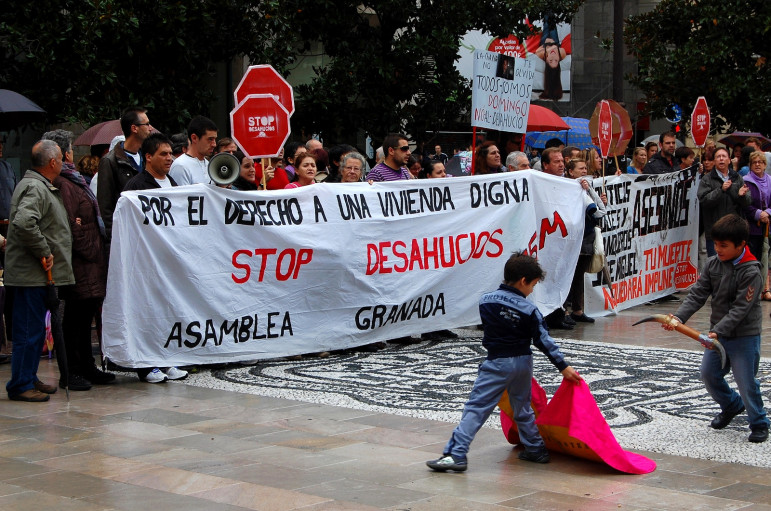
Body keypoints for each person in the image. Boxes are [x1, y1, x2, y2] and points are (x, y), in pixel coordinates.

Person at [426, 252, 583, 471]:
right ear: (523, 281)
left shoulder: (486, 301)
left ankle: (456, 454)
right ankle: (536, 449)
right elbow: (543, 340)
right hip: (522, 363)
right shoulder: (530, 310)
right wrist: (563, 366)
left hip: (497, 362)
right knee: (522, 408)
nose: (532, 290)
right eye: (533, 285)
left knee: (477, 407)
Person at [662, 214, 769, 443]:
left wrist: (718, 330)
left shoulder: (751, 271)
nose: (718, 249)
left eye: (724, 246)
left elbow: (741, 308)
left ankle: (759, 422)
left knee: (746, 381)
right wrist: (679, 317)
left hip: (743, 336)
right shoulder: (712, 264)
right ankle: (731, 404)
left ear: (741, 245)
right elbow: (698, 294)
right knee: (709, 374)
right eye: (716, 244)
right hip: (717, 334)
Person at [42, 130, 113, 391]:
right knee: (75, 317)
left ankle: (86, 366)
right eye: (70, 149)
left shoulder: (73, 180)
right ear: (63, 154)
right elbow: (70, 224)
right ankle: (71, 370)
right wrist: (90, 247)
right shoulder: (63, 182)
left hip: (89, 260)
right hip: (80, 260)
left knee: (84, 317)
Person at [5, 140, 74, 402]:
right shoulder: (36, 186)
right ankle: (20, 383)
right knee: (27, 331)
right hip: (29, 275)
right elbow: (24, 223)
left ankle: (28, 377)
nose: (66, 161)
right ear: (53, 162)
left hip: (34, 275)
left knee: (33, 330)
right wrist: (44, 251)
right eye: (62, 158)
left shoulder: (39, 185)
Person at [122, 133, 187, 383]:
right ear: (148, 157)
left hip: (170, 262)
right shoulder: (136, 187)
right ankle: (147, 365)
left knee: (168, 311)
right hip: (146, 263)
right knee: (147, 312)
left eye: (171, 153)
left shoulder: (174, 185)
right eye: (163, 154)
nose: (169, 158)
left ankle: (167, 359)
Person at [97, 107, 153, 248]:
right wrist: (115, 238)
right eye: (146, 124)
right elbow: (106, 206)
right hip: (125, 235)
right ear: (134, 128)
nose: (150, 128)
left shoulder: (148, 157)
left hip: (148, 233)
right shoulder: (110, 161)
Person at [564, 159, 607, 323]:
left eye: (585, 168)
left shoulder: (587, 188)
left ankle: (578, 310)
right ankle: (565, 310)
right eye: (580, 169)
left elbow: (598, 211)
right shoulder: (571, 188)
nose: (584, 171)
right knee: (570, 273)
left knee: (579, 273)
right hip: (575, 236)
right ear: (571, 172)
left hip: (587, 235)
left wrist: (600, 201)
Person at [698, 147, 750, 256]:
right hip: (715, 232)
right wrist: (721, 190)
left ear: (729, 160)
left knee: (735, 265)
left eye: (724, 156)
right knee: (717, 266)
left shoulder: (737, 178)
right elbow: (704, 200)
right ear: (714, 161)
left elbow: (748, 202)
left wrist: (742, 195)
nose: (721, 159)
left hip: (734, 231)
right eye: (718, 157)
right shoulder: (707, 179)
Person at [741, 151, 771, 300]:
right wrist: (759, 214)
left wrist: (768, 213)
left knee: (765, 258)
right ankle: (750, 290)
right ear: (751, 165)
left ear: (765, 165)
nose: (758, 164)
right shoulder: (746, 180)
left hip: (767, 226)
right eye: (754, 162)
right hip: (752, 226)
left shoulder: (770, 180)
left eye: (760, 162)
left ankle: (763, 288)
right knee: (752, 259)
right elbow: (745, 204)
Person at [168, 116, 218, 186]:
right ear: (194, 138)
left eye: (215, 139)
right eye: (210, 139)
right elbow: (180, 196)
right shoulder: (180, 166)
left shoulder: (209, 164)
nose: (214, 144)